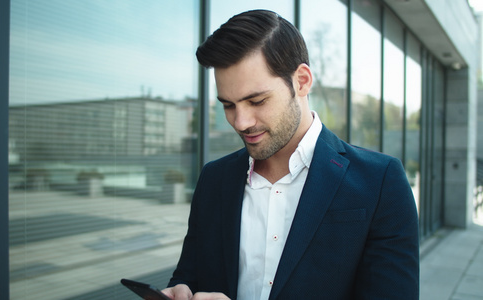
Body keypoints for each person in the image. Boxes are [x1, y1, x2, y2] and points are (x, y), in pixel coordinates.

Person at [162, 9, 419, 300]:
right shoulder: (214, 178)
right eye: (228, 105)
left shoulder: (380, 182)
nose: (241, 121)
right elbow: (190, 273)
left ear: (302, 81)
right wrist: (181, 289)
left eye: (256, 100)